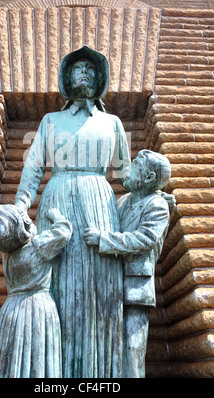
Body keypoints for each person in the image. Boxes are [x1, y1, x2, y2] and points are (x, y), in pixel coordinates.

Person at [14, 45, 131, 378]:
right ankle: (54, 372)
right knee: (57, 286)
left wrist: (153, 197)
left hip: (99, 203)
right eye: (79, 68)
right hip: (58, 201)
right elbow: (34, 166)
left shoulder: (112, 122)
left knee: (102, 289)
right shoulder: (51, 121)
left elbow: (127, 175)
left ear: (101, 80)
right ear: (66, 77)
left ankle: (100, 374)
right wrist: (21, 205)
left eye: (92, 70)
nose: (85, 73)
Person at [84, 149, 171, 378]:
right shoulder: (123, 201)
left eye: (137, 165)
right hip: (109, 282)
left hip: (135, 288)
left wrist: (103, 239)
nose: (129, 169)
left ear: (150, 178)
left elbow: (145, 239)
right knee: (110, 349)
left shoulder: (157, 205)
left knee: (132, 351)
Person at [0, 204, 72, 378]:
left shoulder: (8, 254)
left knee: (10, 356)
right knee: (36, 356)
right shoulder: (38, 247)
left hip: (11, 309)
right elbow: (63, 232)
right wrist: (57, 217)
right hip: (37, 308)